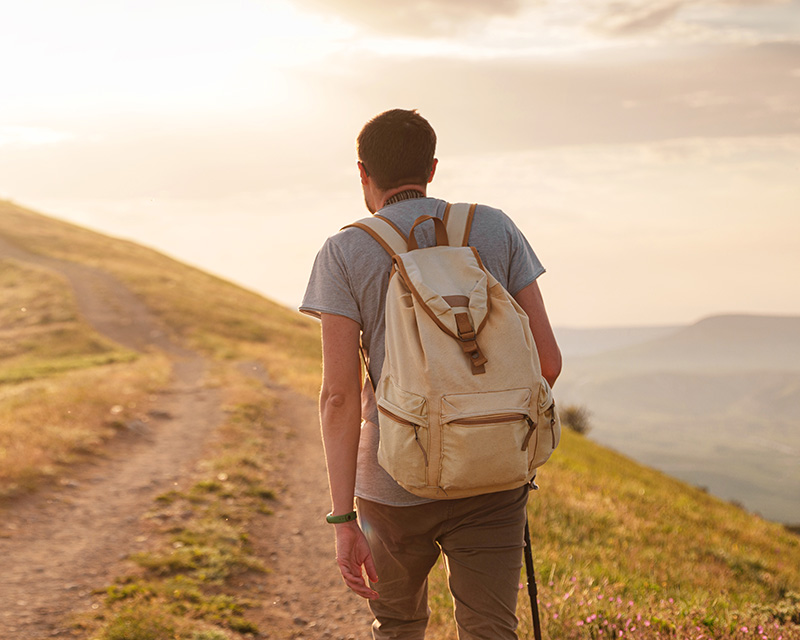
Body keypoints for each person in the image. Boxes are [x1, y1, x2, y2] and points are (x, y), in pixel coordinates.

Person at [300, 108, 562, 640]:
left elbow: (338, 397)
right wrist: (486, 424)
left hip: (391, 481)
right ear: (433, 167)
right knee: (491, 628)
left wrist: (342, 517)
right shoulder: (494, 228)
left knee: (396, 625)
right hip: (493, 476)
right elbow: (547, 363)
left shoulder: (346, 251)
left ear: (362, 172)